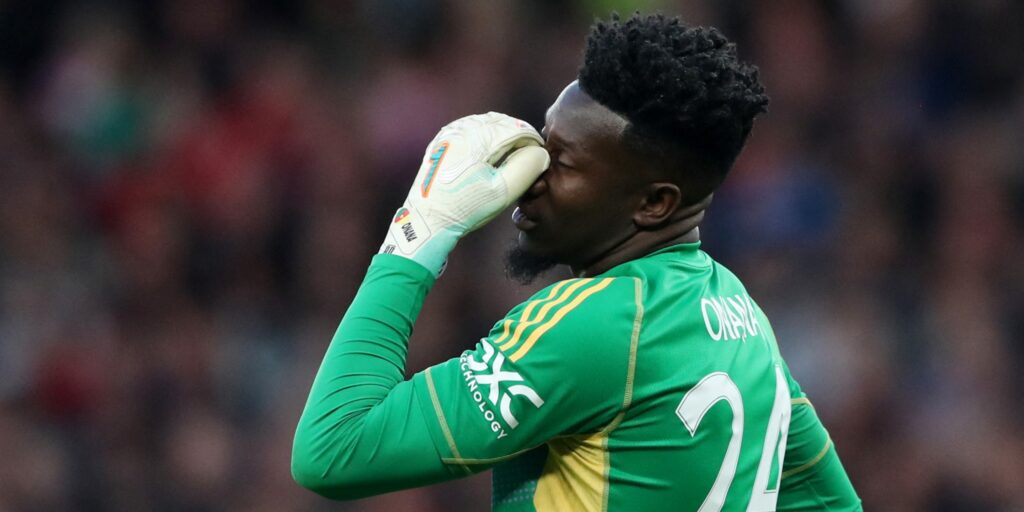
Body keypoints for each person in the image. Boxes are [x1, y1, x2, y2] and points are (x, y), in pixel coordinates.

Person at [292, 13, 861, 511]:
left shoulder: (593, 324)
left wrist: (419, 231)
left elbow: (333, 449)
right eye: (543, 139)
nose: (531, 176)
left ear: (654, 203)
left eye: (563, 162)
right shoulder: (742, 316)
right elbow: (831, 503)